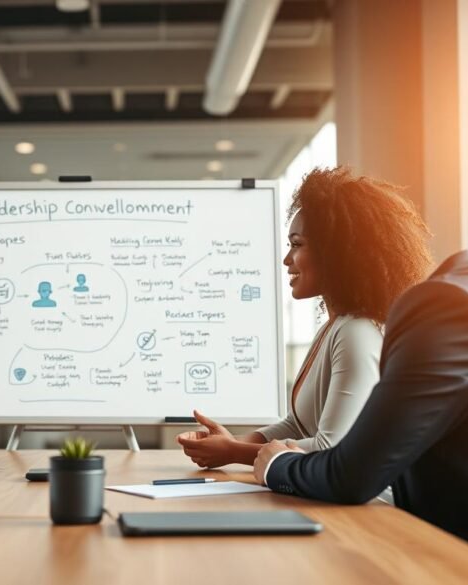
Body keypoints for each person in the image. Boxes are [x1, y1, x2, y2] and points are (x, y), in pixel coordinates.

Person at [252, 255, 468, 584]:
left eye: (298, 245)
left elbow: (353, 475)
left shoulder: (447, 309)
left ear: (343, 255)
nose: (287, 259)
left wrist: (277, 465)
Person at [178, 167, 433, 468]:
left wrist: (234, 452)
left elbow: (332, 447)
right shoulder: (336, 327)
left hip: (365, 513)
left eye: (297, 244)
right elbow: (298, 426)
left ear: (337, 253)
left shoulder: (357, 333)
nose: (286, 259)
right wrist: (232, 443)